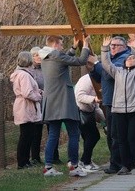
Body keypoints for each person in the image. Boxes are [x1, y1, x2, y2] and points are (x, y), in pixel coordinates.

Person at [38, 34, 90, 177]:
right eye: (61, 44)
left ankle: (48, 167)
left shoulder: (46, 56)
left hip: (51, 101)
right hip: (64, 101)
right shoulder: (56, 55)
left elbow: (64, 60)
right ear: (55, 45)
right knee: (74, 133)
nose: (62, 47)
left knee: (53, 135)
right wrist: (85, 46)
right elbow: (81, 61)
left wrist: (73, 48)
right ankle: (74, 166)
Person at [101, 36, 135, 175]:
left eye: (133, 58)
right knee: (121, 139)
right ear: (124, 61)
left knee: (133, 138)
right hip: (119, 110)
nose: (130, 59)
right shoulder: (118, 71)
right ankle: (125, 166)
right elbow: (106, 64)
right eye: (128, 58)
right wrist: (105, 49)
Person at [90, 36, 131, 174]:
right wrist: (92, 68)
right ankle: (116, 161)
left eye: (115, 45)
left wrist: (97, 63)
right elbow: (99, 77)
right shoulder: (110, 58)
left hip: (118, 101)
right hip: (109, 100)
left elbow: (109, 74)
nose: (112, 47)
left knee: (117, 134)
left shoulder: (125, 58)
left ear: (124, 47)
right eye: (111, 45)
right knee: (111, 134)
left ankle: (118, 163)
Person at [10, 51, 43, 169]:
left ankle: (26, 161)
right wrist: (38, 97)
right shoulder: (24, 75)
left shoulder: (22, 74)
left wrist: (37, 92)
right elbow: (27, 92)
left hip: (25, 106)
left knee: (28, 135)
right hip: (25, 106)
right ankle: (22, 162)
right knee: (25, 135)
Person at [74, 72, 104, 173]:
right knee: (93, 136)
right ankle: (84, 161)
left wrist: (105, 120)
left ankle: (86, 160)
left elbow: (96, 106)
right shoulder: (86, 80)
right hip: (81, 111)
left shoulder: (97, 80)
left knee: (91, 137)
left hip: (89, 111)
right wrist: (94, 99)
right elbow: (79, 96)